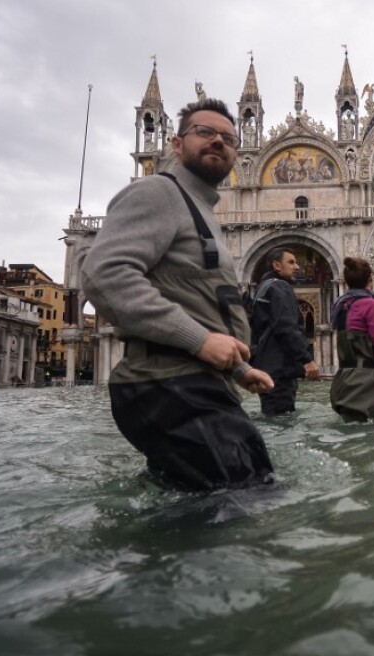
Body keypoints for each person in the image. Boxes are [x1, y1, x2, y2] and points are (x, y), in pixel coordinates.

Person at [81, 98, 277, 491]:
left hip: (192, 385)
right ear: (176, 143)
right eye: (204, 132)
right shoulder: (158, 192)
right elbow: (104, 274)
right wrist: (200, 341)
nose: (218, 141)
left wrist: (240, 370)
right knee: (246, 500)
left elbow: (201, 304)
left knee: (206, 501)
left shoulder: (200, 209)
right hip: (171, 385)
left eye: (228, 138)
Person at [329, 257, 374, 422]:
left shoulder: (342, 305)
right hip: (363, 385)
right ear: (370, 278)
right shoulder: (370, 304)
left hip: (343, 381)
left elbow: (356, 337)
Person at [250, 248, 320, 416]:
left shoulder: (263, 287)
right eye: (291, 262)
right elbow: (286, 327)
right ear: (277, 265)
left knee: (272, 416)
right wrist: (307, 359)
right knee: (282, 419)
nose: (297, 267)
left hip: (266, 368)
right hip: (280, 369)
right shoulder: (280, 287)